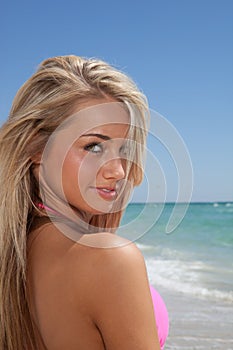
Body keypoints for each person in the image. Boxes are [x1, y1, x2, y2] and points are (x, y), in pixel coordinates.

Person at [0, 55, 168, 349]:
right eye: (93, 146)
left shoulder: (13, 255)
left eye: (124, 150)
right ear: (36, 147)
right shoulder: (110, 260)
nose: (118, 171)